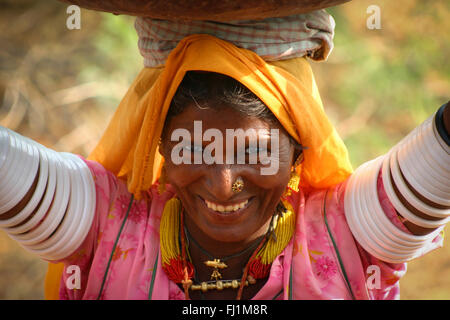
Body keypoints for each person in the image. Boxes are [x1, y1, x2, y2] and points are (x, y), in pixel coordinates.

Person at [0, 10, 449, 300]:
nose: (223, 183)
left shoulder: (343, 239)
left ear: (297, 155)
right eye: (195, 149)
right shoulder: (108, 230)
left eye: (256, 153)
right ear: (160, 146)